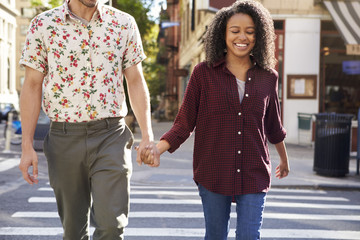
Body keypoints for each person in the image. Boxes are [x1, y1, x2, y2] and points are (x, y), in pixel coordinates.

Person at [140, 1, 290, 239]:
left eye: (250, 31)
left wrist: (284, 159)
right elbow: (184, 122)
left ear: (259, 36)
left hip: (254, 171)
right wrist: (158, 148)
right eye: (235, 31)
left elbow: (273, 125)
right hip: (213, 170)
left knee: (250, 236)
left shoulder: (268, 76)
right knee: (216, 235)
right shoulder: (203, 73)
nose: (243, 37)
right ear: (223, 33)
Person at [18, 0, 159, 239]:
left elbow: (135, 80)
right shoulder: (43, 24)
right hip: (64, 137)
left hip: (111, 135)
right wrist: (26, 146)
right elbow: (32, 85)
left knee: (112, 227)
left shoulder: (123, 23)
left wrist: (148, 135)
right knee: (74, 231)